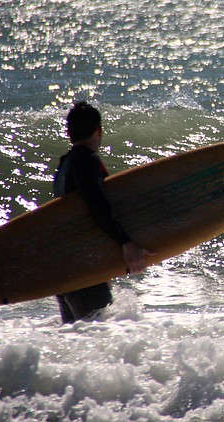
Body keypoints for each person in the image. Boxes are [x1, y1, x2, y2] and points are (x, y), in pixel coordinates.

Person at [52, 101, 154, 323]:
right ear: (99, 130)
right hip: (83, 271)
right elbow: (97, 205)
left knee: (77, 342)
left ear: (68, 133)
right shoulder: (87, 161)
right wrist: (126, 243)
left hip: (64, 270)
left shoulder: (64, 166)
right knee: (97, 338)